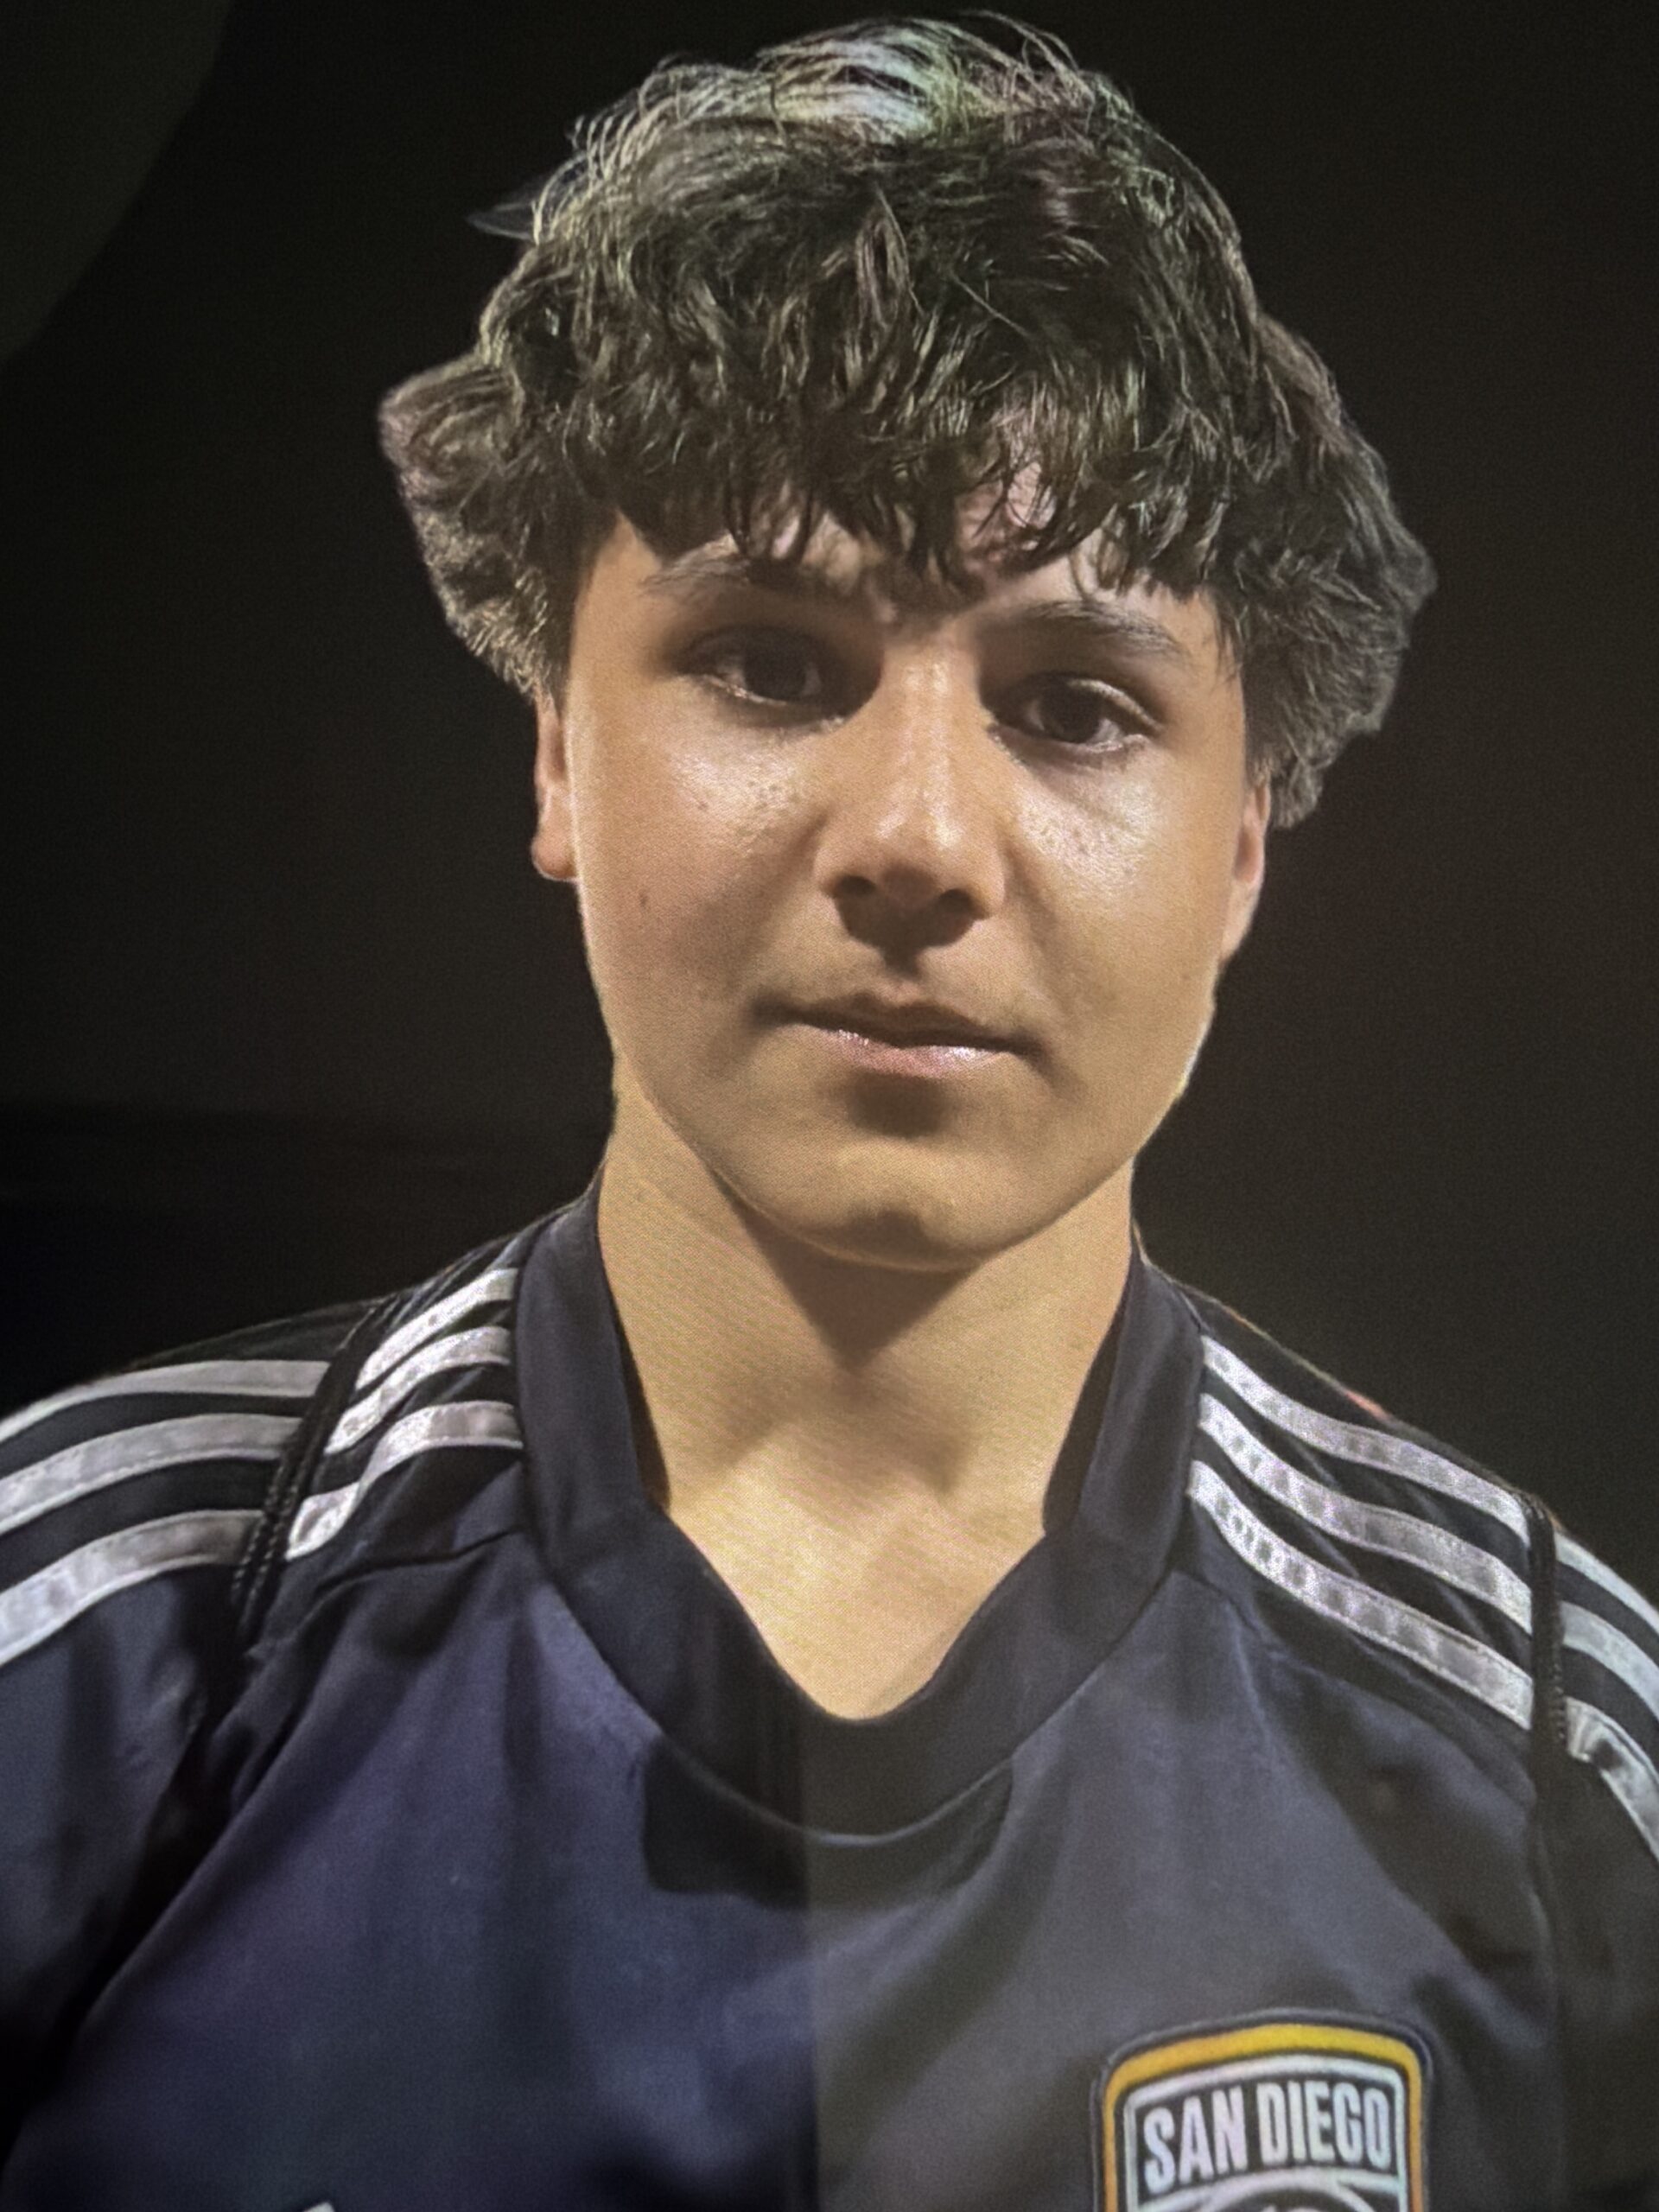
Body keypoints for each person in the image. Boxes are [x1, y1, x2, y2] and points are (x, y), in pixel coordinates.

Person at [1, 18, 1654, 2208]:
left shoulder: (1547, 1750)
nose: (917, 840)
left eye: (1076, 704)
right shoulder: (91, 1647)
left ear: (1246, 839)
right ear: (557, 752)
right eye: (772, 663)